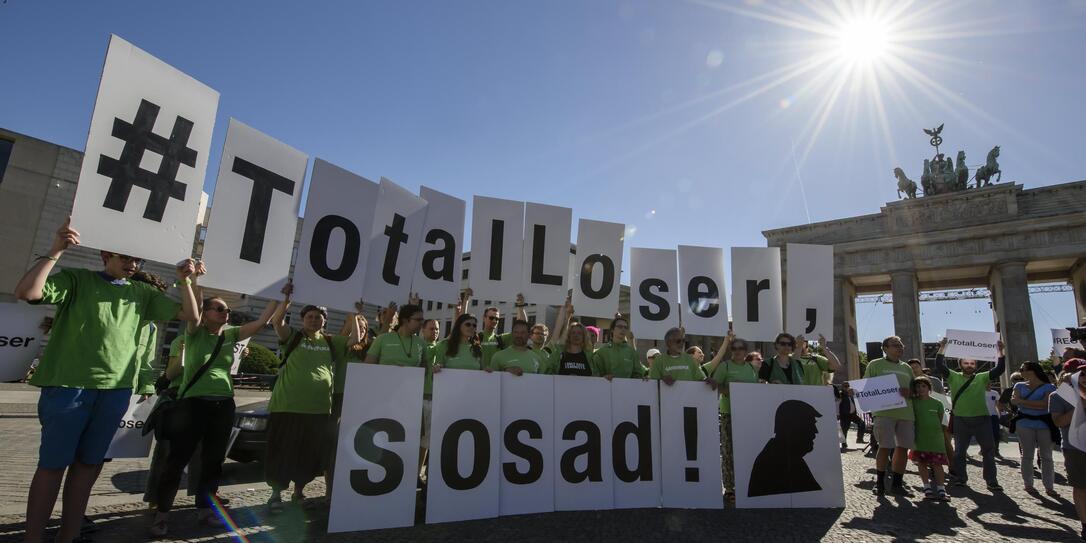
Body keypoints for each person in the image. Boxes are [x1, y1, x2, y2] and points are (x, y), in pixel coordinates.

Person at [14, 217, 200, 543]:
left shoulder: (143, 293)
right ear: (105, 255)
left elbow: (192, 317)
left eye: (136, 260)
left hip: (115, 391)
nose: (132, 264)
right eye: (124, 258)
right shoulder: (77, 279)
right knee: (52, 466)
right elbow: (27, 292)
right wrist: (57, 250)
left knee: (88, 467)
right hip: (68, 387)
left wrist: (185, 280)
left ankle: (68, 537)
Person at [151, 291, 278, 536]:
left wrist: (281, 298)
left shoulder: (231, 335)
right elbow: (192, 310)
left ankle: (205, 511)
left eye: (227, 310)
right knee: (177, 460)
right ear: (205, 314)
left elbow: (262, 322)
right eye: (219, 309)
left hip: (223, 405)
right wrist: (193, 281)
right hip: (193, 405)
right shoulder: (194, 334)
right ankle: (162, 515)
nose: (225, 313)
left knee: (213, 462)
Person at [265, 283, 360, 513]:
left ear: (324, 321)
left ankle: (298, 492)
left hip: (318, 409)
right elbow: (277, 322)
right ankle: (276, 494)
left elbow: (355, 338)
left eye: (318, 317)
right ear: (302, 318)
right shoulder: (293, 337)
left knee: (307, 454)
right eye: (310, 316)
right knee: (282, 451)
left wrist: (353, 312)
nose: (314, 320)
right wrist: (286, 299)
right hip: (286, 406)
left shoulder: (330, 341)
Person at [934, 337, 1006, 492]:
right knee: (959, 452)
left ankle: (991, 481)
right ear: (961, 365)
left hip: (982, 420)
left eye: (972, 363)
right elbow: (940, 365)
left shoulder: (982, 377)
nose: (969, 366)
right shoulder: (953, 376)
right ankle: (960, 478)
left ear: (976, 366)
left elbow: (999, 370)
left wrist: (1001, 352)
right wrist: (942, 348)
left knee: (988, 451)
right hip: (961, 420)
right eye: (966, 363)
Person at [703, 331, 758, 504]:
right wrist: (733, 389)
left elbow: (754, 390)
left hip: (747, 414)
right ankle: (729, 488)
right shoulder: (724, 366)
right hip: (728, 413)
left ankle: (744, 484)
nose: (737, 351)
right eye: (734, 348)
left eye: (741, 348)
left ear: (746, 351)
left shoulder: (751, 368)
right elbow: (716, 387)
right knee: (728, 451)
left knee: (746, 450)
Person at [863, 335, 915, 496]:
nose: (899, 347)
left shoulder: (907, 367)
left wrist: (911, 392)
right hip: (884, 413)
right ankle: (880, 483)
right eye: (895, 345)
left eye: (901, 345)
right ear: (885, 348)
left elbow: (916, 390)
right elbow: (866, 386)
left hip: (906, 413)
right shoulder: (875, 364)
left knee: (903, 448)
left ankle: (897, 484)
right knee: (884, 447)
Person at [748, 400, 822, 497]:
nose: (815, 431)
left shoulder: (784, 455)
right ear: (794, 427)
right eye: (810, 424)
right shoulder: (777, 459)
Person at [1009, 361, 1058, 496]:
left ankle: (1049, 486)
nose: (1021, 371)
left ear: (1033, 371)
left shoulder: (1049, 387)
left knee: (1046, 456)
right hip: (1024, 423)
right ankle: (1028, 484)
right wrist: (1031, 403)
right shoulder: (1019, 385)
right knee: (1027, 455)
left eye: (1022, 369)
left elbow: (1045, 405)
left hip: (1044, 424)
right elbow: (1013, 401)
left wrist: (1023, 402)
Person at [1050, 359, 1086, 539]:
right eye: (1081, 374)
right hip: (1075, 447)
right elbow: (1059, 422)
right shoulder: (1058, 396)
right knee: (1081, 487)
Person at [910, 376, 951, 501]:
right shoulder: (913, 402)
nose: (921, 389)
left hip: (936, 438)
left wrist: (946, 439)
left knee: (938, 464)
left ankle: (941, 489)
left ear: (929, 388)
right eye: (918, 386)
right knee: (922, 463)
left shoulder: (938, 403)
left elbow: (942, 421)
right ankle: (927, 488)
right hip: (920, 438)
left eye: (923, 386)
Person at [649, 327, 713, 387]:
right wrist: (662, 379)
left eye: (683, 340)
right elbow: (652, 384)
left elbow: (700, 378)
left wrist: (707, 380)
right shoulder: (658, 361)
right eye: (678, 341)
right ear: (668, 343)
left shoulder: (689, 359)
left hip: (687, 398)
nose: (682, 343)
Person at [591, 314, 643, 380]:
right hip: (606, 389)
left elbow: (638, 374)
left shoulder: (631, 352)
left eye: (625, 327)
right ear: (612, 330)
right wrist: (603, 378)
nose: (623, 329)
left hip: (628, 389)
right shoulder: (601, 352)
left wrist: (644, 379)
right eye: (620, 327)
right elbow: (595, 375)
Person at [837, 381, 867, 447]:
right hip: (845, 415)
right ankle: (844, 443)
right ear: (842, 387)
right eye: (845, 386)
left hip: (852, 414)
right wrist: (838, 414)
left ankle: (859, 439)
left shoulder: (851, 394)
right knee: (845, 429)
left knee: (862, 423)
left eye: (848, 386)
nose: (847, 387)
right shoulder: (841, 394)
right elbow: (837, 404)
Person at [986, 382, 1004, 456]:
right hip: (984, 416)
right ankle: (985, 450)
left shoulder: (995, 393)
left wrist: (1001, 414)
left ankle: (996, 450)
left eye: (988, 383)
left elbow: (998, 404)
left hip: (994, 416)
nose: (987, 384)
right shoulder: (980, 392)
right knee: (985, 434)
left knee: (996, 434)